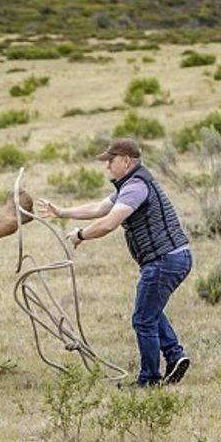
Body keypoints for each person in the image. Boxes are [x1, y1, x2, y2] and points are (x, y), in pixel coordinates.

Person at [35, 138, 192, 387]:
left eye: (111, 160)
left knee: (143, 319)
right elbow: (99, 208)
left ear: (126, 161)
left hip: (164, 260)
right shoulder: (130, 185)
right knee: (150, 310)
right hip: (171, 258)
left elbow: (109, 222)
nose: (107, 166)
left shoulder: (136, 187)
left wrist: (81, 235)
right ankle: (175, 356)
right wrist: (62, 212)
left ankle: (149, 380)